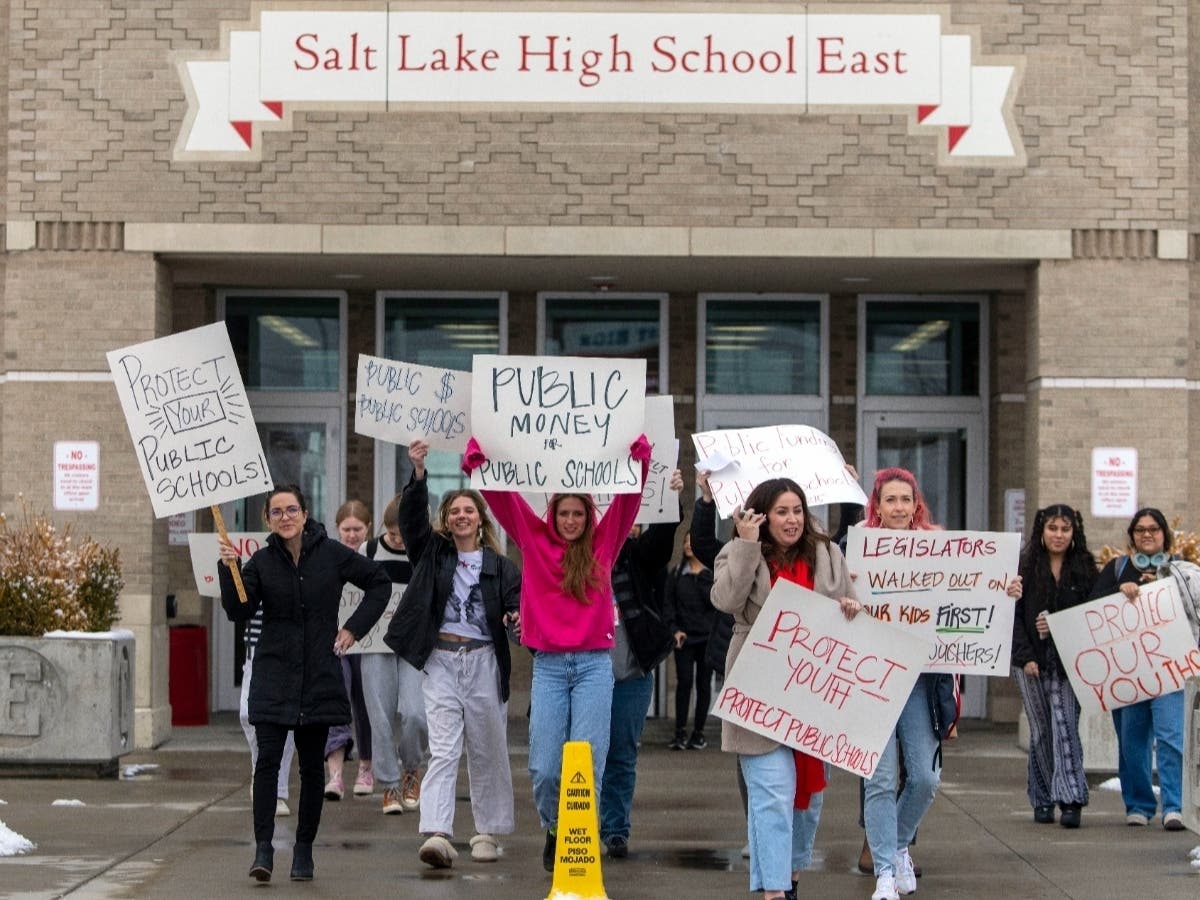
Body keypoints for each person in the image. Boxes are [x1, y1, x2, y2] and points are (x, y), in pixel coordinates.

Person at [462, 433, 651, 872]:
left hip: (593, 667)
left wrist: (639, 463)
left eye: (578, 513)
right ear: (553, 513)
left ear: (589, 515)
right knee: (546, 769)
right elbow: (505, 500)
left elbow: (627, 502)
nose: (569, 520)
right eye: (563, 512)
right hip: (548, 668)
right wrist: (479, 463)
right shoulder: (533, 538)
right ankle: (554, 825)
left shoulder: (605, 543)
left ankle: (579, 841)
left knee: (587, 761)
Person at [859, 467, 1021, 900]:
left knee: (925, 779)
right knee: (877, 780)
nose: (897, 508)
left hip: (919, 680)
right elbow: (833, 594)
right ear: (877, 505)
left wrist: (1003, 591)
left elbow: (974, 592)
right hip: (870, 678)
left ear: (916, 506)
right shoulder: (855, 548)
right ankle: (884, 875)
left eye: (904, 500)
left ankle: (896, 848)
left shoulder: (939, 548)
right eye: (889, 500)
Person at [218, 485, 390, 883]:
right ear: (267, 519)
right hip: (274, 673)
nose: (285, 517)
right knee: (267, 763)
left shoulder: (331, 554)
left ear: (305, 512)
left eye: (291, 509)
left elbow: (379, 582)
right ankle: (263, 849)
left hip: (318, 673)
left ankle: (304, 850)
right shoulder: (260, 562)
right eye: (276, 512)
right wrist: (229, 569)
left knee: (312, 767)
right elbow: (238, 609)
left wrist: (353, 630)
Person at [711, 477, 861, 900]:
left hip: (813, 695)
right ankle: (775, 892)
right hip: (759, 689)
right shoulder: (739, 552)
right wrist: (745, 544)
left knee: (807, 801)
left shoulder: (829, 553)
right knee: (771, 795)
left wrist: (850, 608)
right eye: (781, 511)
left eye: (797, 510)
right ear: (762, 515)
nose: (792, 519)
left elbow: (850, 606)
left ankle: (788, 880)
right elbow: (725, 600)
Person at [384, 439, 522, 868]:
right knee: (444, 749)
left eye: (469, 510)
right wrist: (419, 472)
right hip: (442, 660)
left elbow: (517, 613)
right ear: (446, 521)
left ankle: (487, 832)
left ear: (480, 520)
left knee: (487, 748)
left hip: (484, 661)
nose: (462, 516)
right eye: (454, 511)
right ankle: (438, 832)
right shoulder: (433, 554)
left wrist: (514, 621)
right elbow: (410, 520)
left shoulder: (502, 568)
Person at [1088, 507, 1200, 831]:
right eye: (1140, 530)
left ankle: (1174, 806)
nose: (1147, 534)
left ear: (1165, 534)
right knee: (1132, 741)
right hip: (1129, 674)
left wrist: (1164, 590)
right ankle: (1138, 803)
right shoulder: (1117, 569)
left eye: (1153, 529)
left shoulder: (1183, 571)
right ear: (1132, 536)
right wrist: (1118, 594)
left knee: (1171, 738)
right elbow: (1093, 611)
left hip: (1170, 671)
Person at [600, 469, 683, 858]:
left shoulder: (633, 556)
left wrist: (669, 502)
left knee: (621, 751)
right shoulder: (572, 555)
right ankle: (575, 825)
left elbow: (661, 544)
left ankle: (615, 827)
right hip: (583, 670)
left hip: (631, 671)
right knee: (580, 751)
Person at [1010, 504, 1097, 828]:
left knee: (1064, 726)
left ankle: (1072, 799)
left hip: (1068, 662)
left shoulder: (1086, 568)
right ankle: (1043, 798)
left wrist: (1060, 624)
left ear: (1074, 533)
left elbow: (1094, 614)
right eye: (1053, 529)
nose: (1059, 535)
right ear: (1041, 531)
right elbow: (1012, 616)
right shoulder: (1025, 566)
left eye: (1065, 529)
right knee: (1041, 730)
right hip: (1029, 660)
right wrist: (1026, 656)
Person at [359, 493, 429, 815]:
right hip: (375, 643)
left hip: (413, 645)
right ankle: (388, 785)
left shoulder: (424, 551)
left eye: (403, 533)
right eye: (392, 533)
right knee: (380, 716)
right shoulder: (370, 550)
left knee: (416, 713)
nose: (397, 540)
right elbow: (352, 591)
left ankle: (412, 767)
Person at [323, 500, 376, 800]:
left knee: (365, 705)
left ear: (368, 528)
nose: (352, 535)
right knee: (336, 701)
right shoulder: (329, 557)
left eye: (358, 529)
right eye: (347, 529)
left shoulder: (375, 557)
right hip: (336, 643)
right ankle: (335, 775)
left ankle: (366, 767)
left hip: (369, 643)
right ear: (337, 529)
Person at [663, 532, 715, 751]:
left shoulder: (709, 574)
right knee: (684, 683)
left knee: (704, 685)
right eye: (685, 541)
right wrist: (674, 630)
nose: (687, 545)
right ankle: (680, 732)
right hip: (684, 638)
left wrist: (701, 575)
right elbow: (668, 605)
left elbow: (714, 602)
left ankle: (699, 733)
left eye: (692, 541)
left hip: (706, 638)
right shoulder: (676, 573)